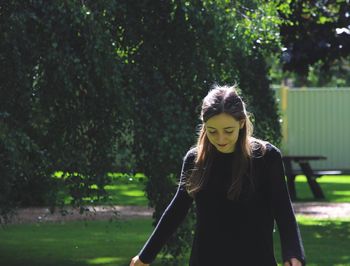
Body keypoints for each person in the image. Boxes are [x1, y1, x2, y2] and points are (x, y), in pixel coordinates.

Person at [130, 84, 306, 266]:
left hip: (256, 258)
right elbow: (176, 210)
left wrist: (293, 254)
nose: (220, 139)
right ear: (204, 126)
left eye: (228, 131)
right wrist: (145, 257)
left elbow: (283, 209)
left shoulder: (267, 157)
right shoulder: (195, 160)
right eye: (212, 131)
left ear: (242, 123)